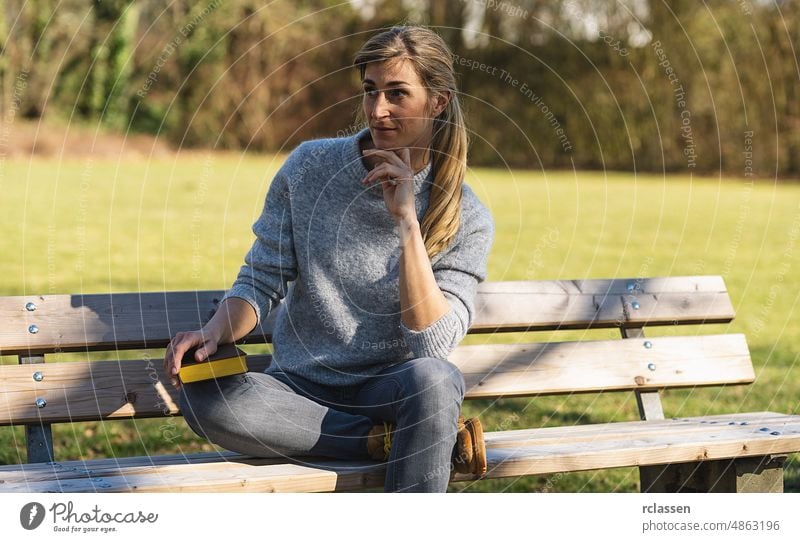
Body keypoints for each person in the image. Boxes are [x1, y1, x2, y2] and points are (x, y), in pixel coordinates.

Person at [163, 24, 494, 493]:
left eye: (398, 94)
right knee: (205, 397)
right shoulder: (310, 167)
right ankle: (388, 442)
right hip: (298, 389)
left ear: (437, 101)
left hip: (391, 392)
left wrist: (406, 221)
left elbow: (431, 348)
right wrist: (213, 331)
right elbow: (262, 278)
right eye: (371, 91)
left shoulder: (468, 217)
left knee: (436, 382)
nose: (378, 110)